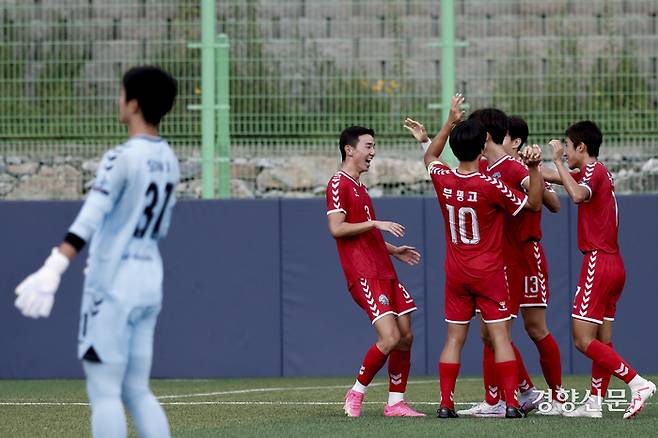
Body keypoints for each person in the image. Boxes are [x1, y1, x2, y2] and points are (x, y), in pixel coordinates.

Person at [15, 66, 179, 438]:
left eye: (121, 94)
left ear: (133, 104)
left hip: (112, 284)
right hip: (149, 279)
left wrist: (53, 267)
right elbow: (162, 226)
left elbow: (90, 217)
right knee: (137, 389)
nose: (118, 100)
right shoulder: (169, 159)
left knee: (104, 392)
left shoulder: (120, 157)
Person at [415, 94, 545, 419]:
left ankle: (446, 403)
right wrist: (533, 168)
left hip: (456, 272)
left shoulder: (443, 178)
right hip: (488, 272)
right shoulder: (491, 185)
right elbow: (533, 204)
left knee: (454, 339)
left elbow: (430, 154)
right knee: (500, 336)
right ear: (483, 144)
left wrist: (449, 122)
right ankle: (512, 404)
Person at [548, 121, 655, 419]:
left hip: (598, 261)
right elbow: (559, 178)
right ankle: (595, 403)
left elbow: (577, 195)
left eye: (567, 147)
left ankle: (638, 383)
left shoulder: (592, 172)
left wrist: (555, 161)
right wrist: (527, 167)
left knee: (582, 339)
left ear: (581, 147)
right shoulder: (596, 171)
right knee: (602, 340)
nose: (565, 152)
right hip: (614, 264)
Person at [327, 126, 425, 417]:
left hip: (384, 269)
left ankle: (395, 403)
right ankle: (356, 392)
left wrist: (393, 251)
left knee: (406, 335)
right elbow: (337, 228)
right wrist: (375, 223)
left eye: (373, 146)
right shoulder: (338, 183)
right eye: (368, 146)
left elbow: (364, 234)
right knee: (390, 338)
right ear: (349, 150)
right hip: (364, 274)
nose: (372, 152)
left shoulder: (360, 187)